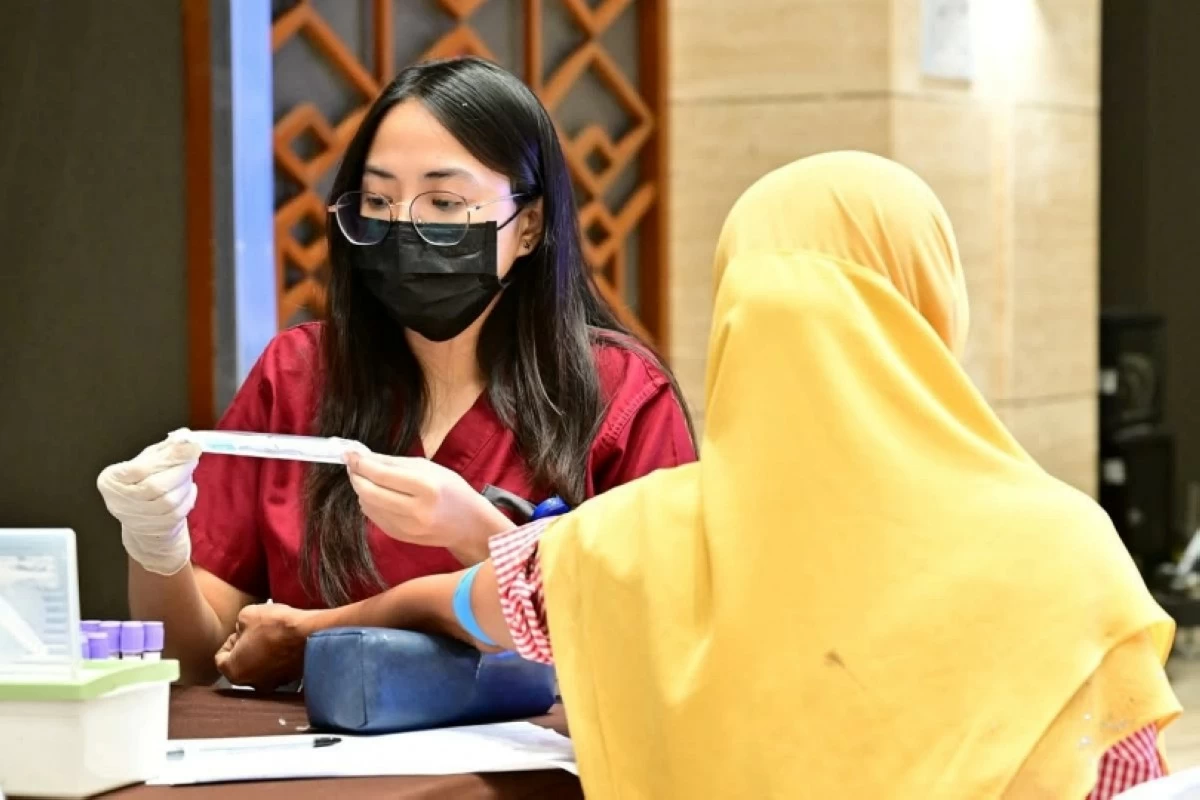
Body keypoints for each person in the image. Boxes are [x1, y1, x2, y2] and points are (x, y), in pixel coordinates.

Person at [380, 152, 1182, 798]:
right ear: (930, 303)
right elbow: (1116, 771)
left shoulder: (622, 542)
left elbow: (479, 603)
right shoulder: (1067, 554)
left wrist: (309, 626)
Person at [95, 56, 695, 688]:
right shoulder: (298, 374)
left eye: (444, 202)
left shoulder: (620, 393)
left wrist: (475, 531)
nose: (404, 226)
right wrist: (156, 546)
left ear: (529, 227)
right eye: (378, 200)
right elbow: (199, 659)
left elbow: (659, 635)